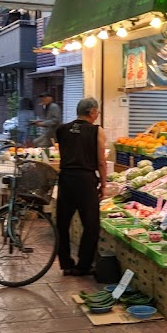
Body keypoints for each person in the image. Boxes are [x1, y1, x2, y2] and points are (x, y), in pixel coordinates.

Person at [55, 97, 107, 278]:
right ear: (92, 112)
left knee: (62, 223)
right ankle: (83, 266)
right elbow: (101, 160)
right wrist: (104, 184)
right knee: (91, 225)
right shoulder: (96, 131)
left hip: (66, 179)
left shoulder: (61, 129)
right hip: (85, 180)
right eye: (97, 112)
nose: (97, 115)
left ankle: (66, 264)